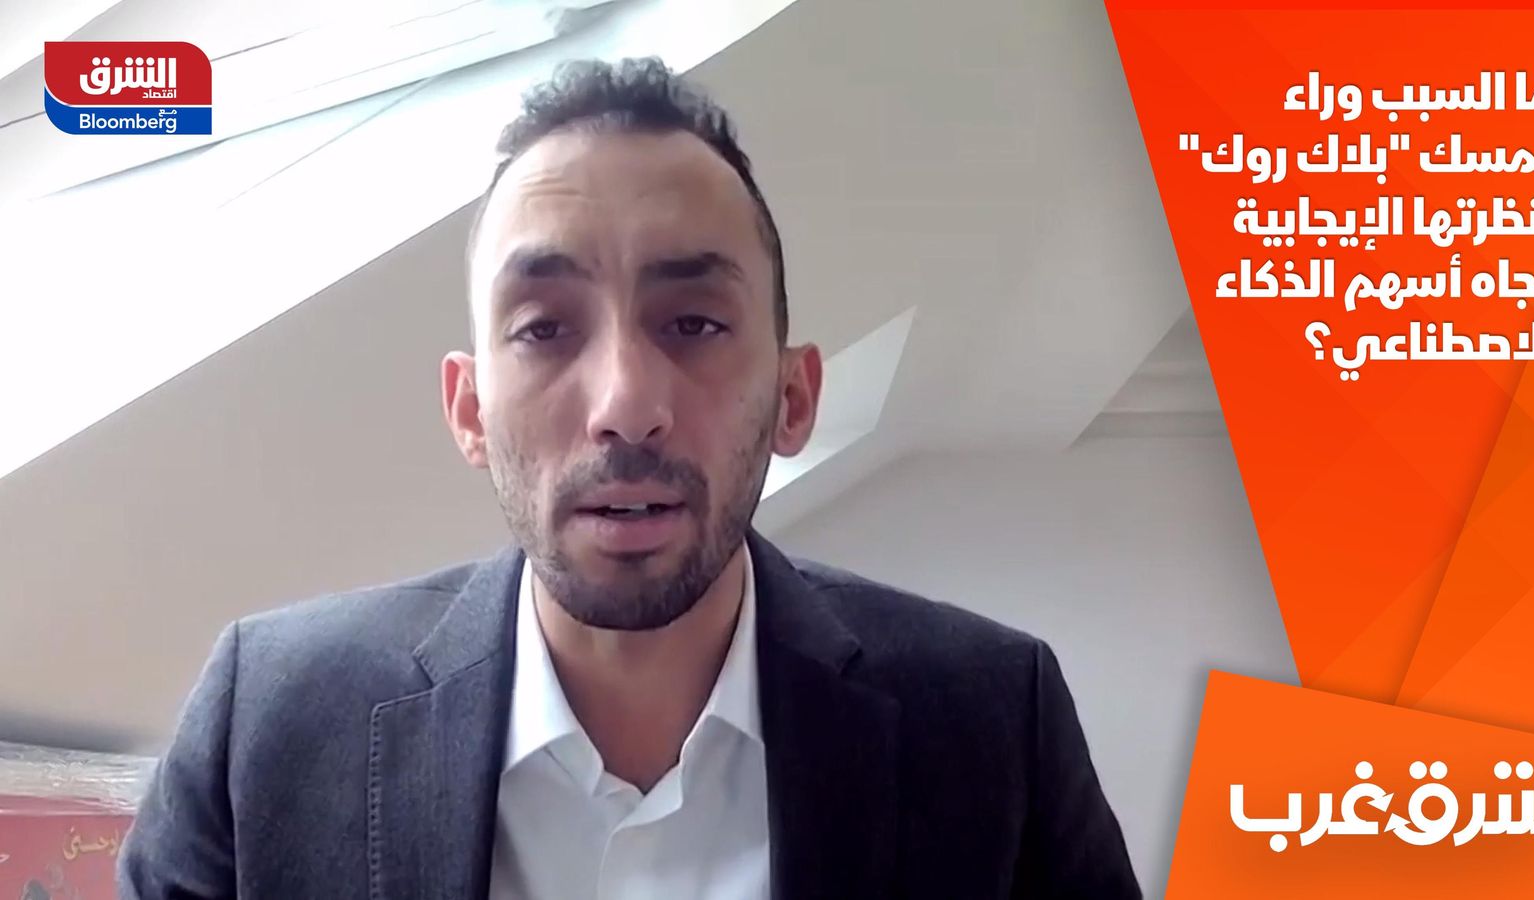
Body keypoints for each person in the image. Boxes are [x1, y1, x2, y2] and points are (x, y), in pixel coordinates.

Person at [117, 57, 1139, 899]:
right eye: (545, 329)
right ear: (469, 411)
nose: (625, 403)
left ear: (792, 398)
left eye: (692, 322)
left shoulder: (992, 721)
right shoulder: (268, 725)